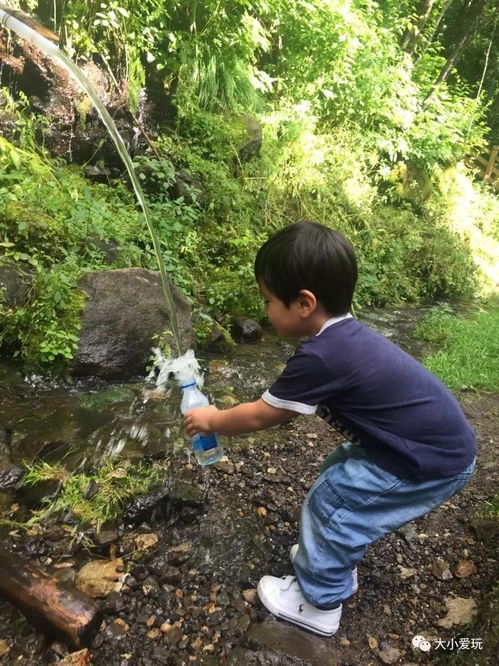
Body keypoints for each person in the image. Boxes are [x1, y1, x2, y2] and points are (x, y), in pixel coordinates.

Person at [183, 221, 477, 637]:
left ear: (304, 303)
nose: (265, 311)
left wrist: (210, 419)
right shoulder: (344, 336)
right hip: (429, 446)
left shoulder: (322, 357)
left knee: (334, 505)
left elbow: (261, 415)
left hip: (429, 460)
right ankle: (331, 561)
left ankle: (319, 603)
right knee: (341, 467)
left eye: (268, 301)